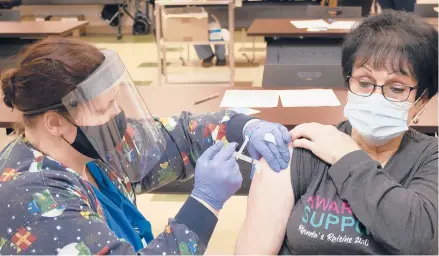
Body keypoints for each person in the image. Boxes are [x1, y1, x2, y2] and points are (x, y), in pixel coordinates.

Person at [0, 37, 291, 255]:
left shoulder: (90, 147)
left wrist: (243, 127)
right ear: (54, 123)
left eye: (115, 100)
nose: (116, 114)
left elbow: (178, 139)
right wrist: (204, 204)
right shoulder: (39, 205)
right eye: (103, 109)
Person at [236, 10, 438, 255]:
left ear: (421, 101)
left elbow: (418, 237)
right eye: (364, 83)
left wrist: (347, 155)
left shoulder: (430, 159)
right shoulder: (305, 149)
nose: (376, 97)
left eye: (396, 88)